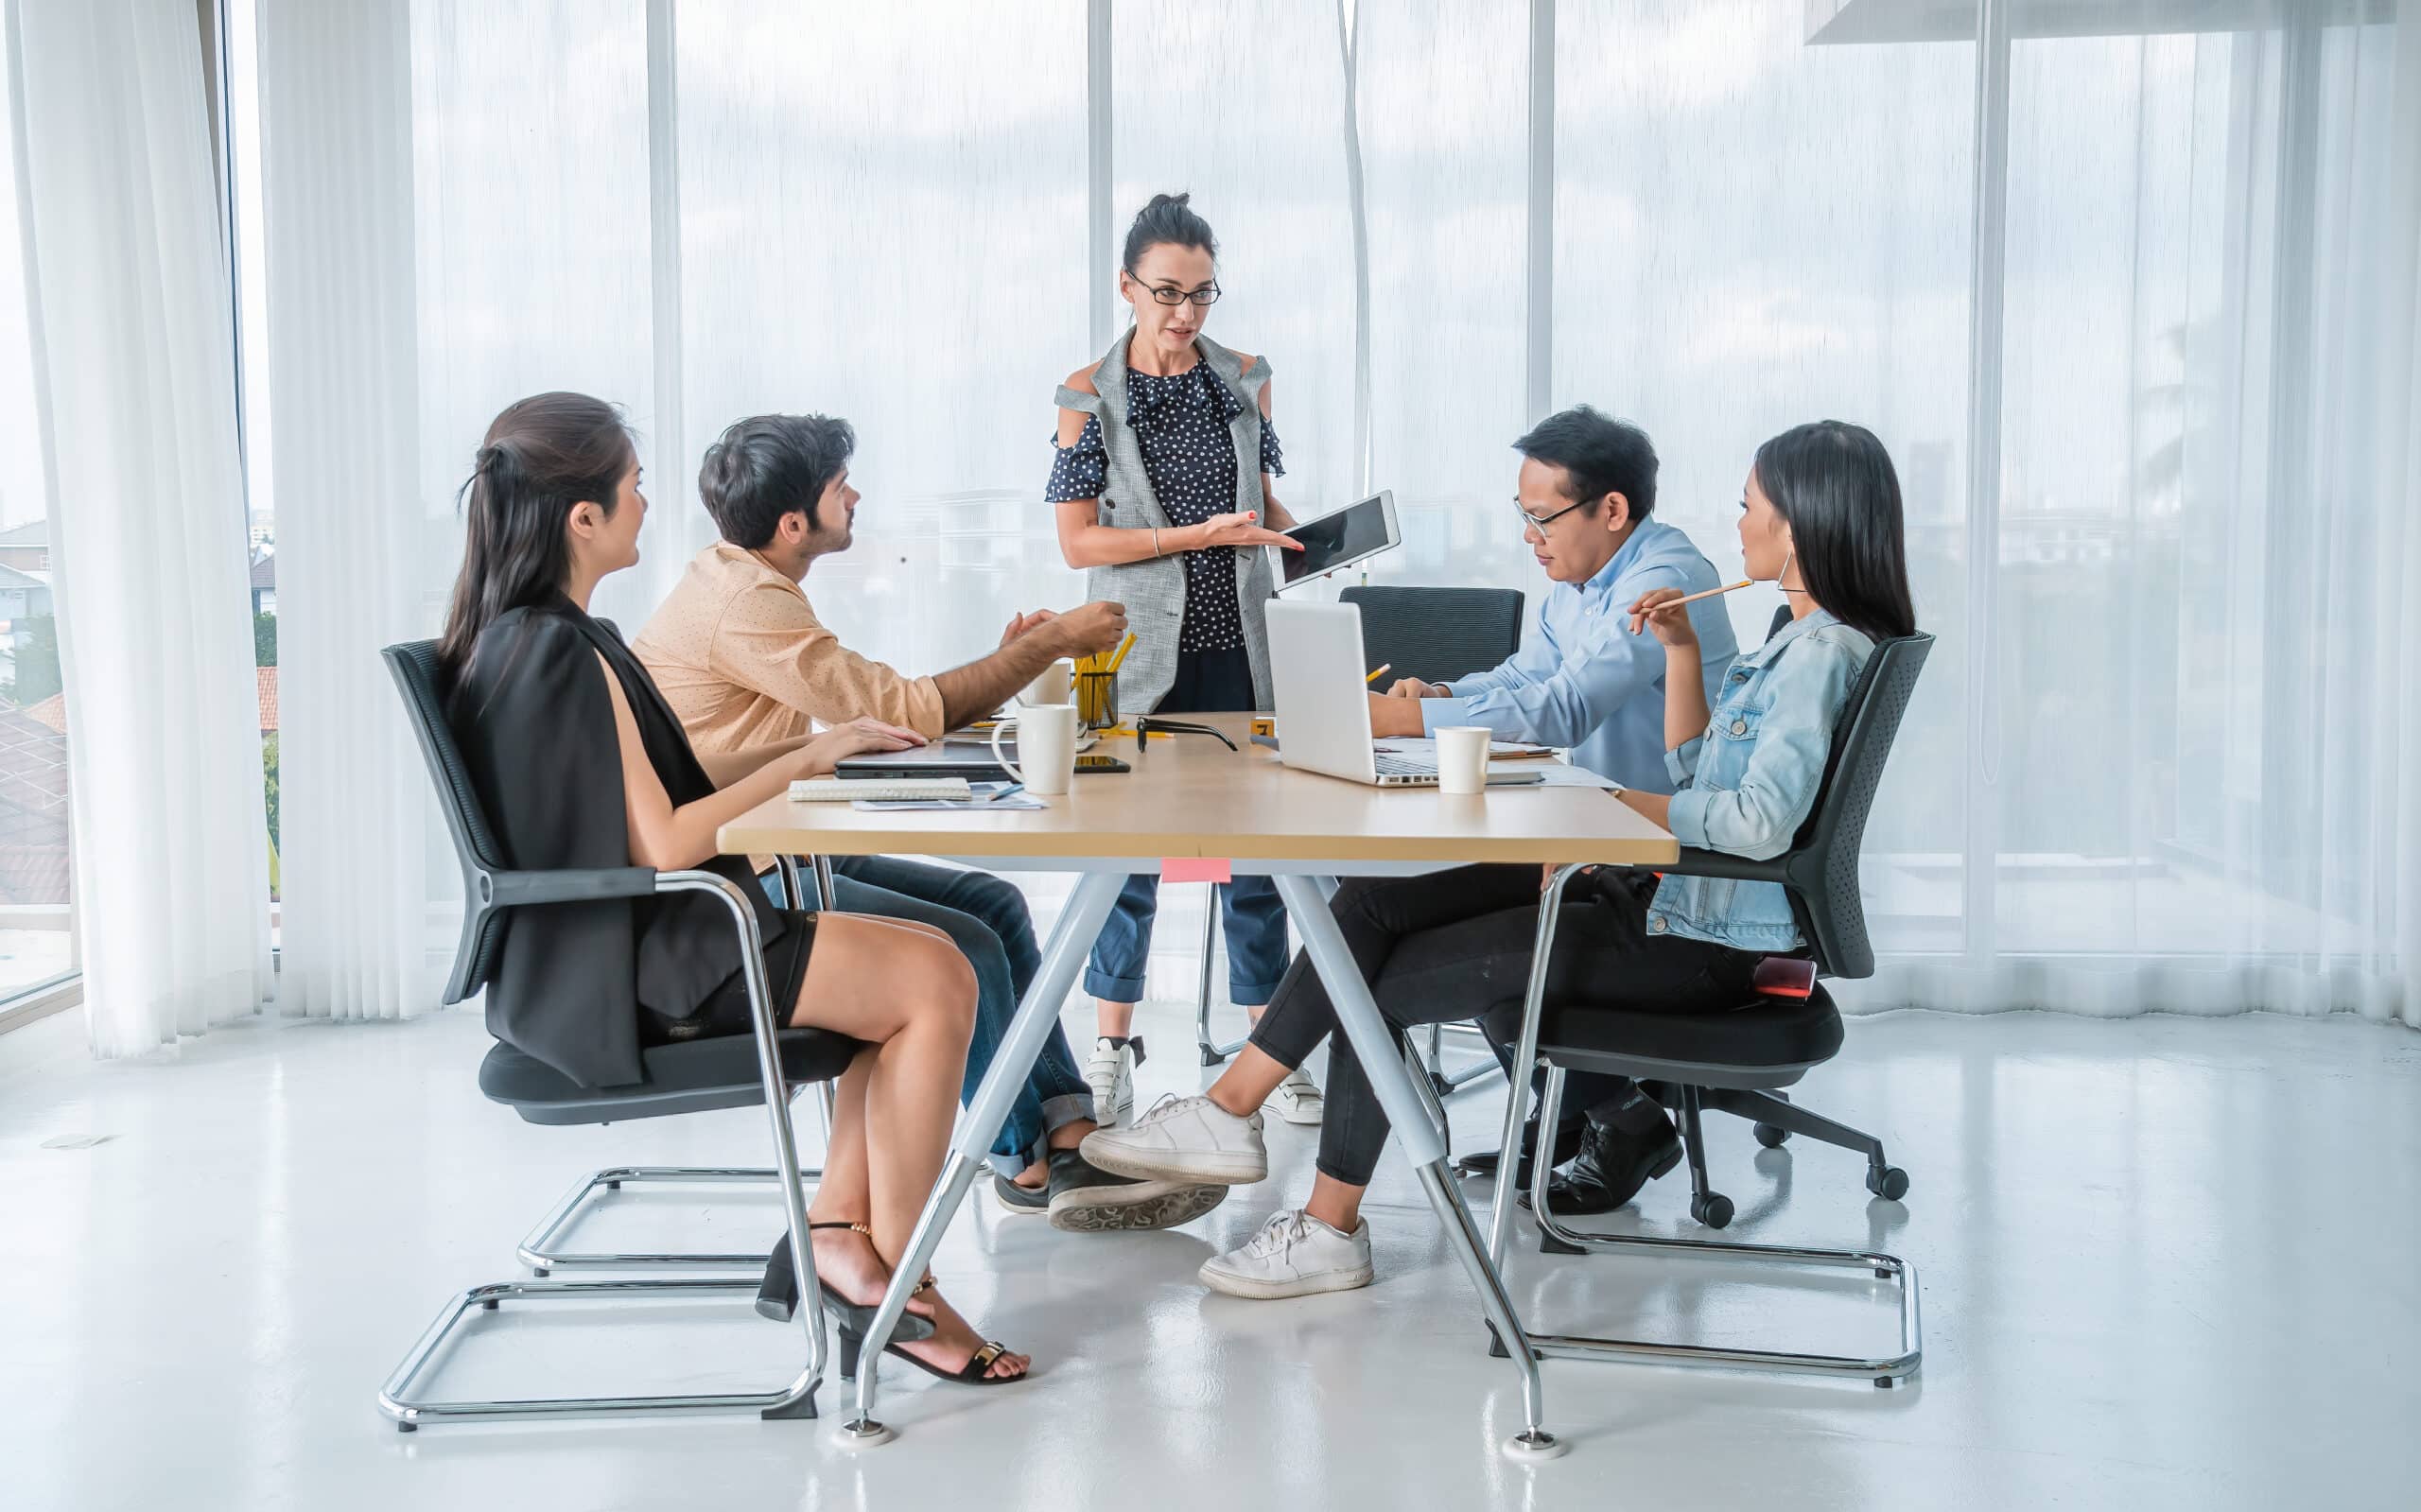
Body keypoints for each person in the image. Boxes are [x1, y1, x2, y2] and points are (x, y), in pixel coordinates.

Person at [1082, 420, 1917, 1301]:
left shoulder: (1819, 652)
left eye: (1750, 506)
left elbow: (1751, 822)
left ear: (1796, 524)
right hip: (1655, 889)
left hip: (1695, 934)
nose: (1738, 521)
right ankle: (1228, 1112)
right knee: (1373, 906)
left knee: (1381, 979)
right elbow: (1692, 769)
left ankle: (1326, 1225)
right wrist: (1679, 657)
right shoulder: (1792, 635)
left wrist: (1615, 809)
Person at [443, 391, 1028, 1381]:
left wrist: (823, 748)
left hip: (632, 940)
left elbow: (658, 802)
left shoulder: (552, 636)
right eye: (631, 489)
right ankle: (901, 1288)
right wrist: (805, 763)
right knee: (938, 980)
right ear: (581, 518)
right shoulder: (557, 650)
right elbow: (668, 843)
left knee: (922, 970)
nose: (645, 506)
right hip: (641, 959)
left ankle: (846, 1241)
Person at [634, 412, 1223, 1233]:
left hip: (774, 850)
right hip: (739, 880)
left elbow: (888, 714)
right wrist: (1045, 647)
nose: (859, 495)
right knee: (968, 946)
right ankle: (1024, 1154)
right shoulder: (747, 604)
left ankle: (1067, 1129)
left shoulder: (741, 580)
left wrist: (1009, 659)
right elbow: (905, 709)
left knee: (995, 902)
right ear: (794, 521)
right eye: (843, 486)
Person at [1377, 406, 1742, 1212]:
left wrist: (1411, 721)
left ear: (1611, 510)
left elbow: (1562, 712)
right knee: (1401, 912)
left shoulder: (1658, 581)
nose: (1530, 536)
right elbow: (1521, 680)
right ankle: (1587, 1114)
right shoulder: (1577, 582)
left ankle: (1619, 1118)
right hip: (1590, 832)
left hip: (1664, 856)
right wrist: (1439, 695)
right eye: (1523, 517)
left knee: (1460, 940)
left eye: (1542, 517)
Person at [1049, 191, 1315, 1128]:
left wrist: (1307, 540)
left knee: (1255, 857)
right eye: (1167, 292)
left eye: (1203, 294)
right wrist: (1191, 537)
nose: (1186, 314)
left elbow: (1264, 505)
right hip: (1120, 655)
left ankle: (1265, 1052)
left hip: (1236, 642)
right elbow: (1078, 546)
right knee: (1120, 861)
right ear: (1126, 286)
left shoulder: (1244, 376)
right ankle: (1112, 1044)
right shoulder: (1085, 394)